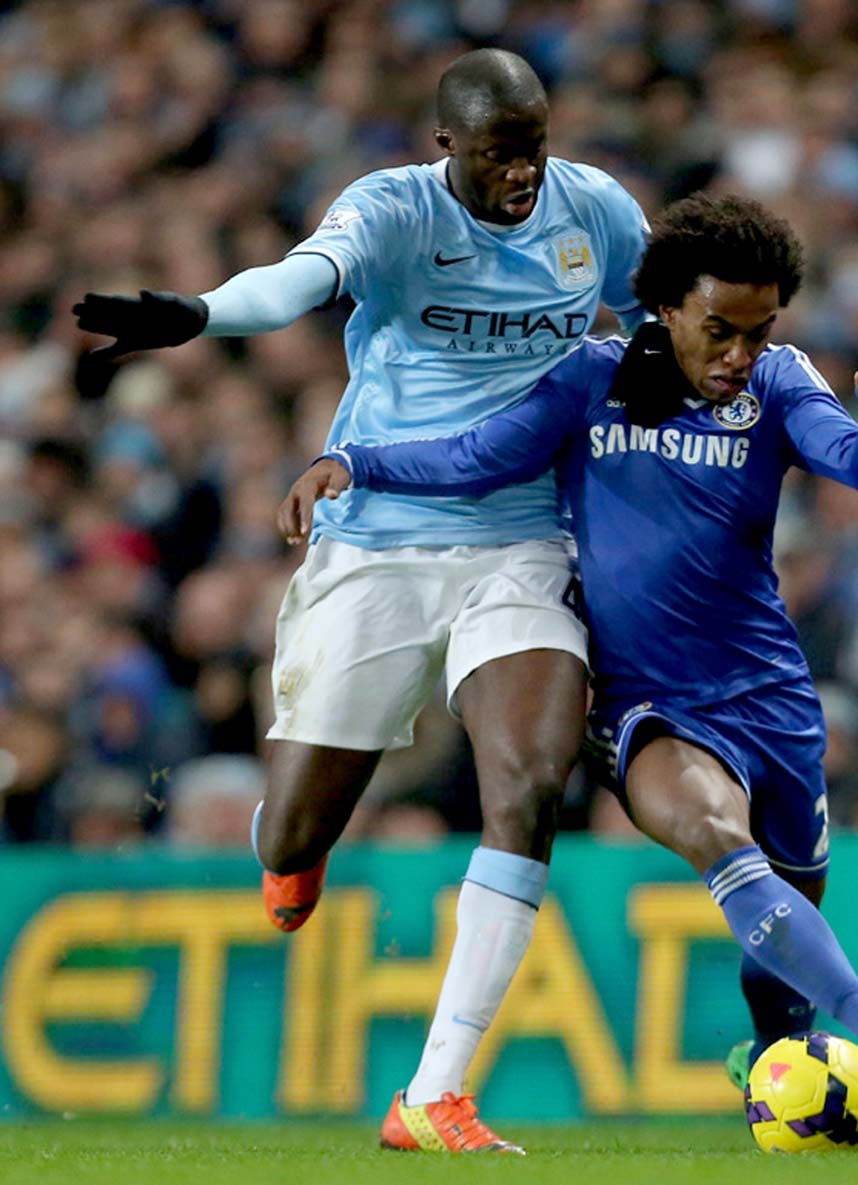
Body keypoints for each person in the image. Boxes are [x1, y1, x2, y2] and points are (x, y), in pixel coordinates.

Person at [72, 49, 649, 1154]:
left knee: (531, 780)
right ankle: (289, 848)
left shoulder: (594, 211)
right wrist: (201, 311)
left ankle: (433, 1093)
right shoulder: (394, 210)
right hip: (379, 538)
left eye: (534, 148)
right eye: (499, 154)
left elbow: (662, 309)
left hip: (524, 539)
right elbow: (296, 281)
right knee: (296, 829)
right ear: (447, 147)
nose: (522, 173)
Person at [286, 193, 858, 1109]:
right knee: (720, 839)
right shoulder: (591, 378)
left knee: (786, 917)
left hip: (771, 695)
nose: (739, 354)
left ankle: (775, 1059)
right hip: (648, 705)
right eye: (719, 331)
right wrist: (357, 461)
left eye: (759, 331)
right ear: (666, 308)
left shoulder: (780, 383)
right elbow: (479, 455)